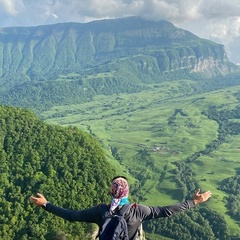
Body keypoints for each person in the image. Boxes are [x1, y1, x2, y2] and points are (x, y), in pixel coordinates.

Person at [30, 176, 212, 240]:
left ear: (111, 191)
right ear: (127, 192)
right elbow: (166, 211)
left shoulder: (101, 211)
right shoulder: (138, 210)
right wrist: (193, 202)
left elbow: (71, 216)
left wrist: (46, 204)